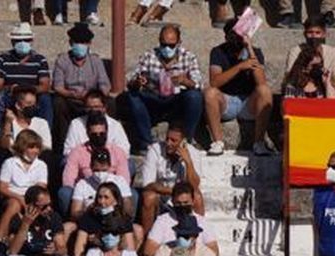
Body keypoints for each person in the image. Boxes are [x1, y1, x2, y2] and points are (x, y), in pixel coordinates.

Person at [126, 23, 203, 153]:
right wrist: (138, 82)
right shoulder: (149, 56)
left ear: (179, 42)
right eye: (163, 44)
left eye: (171, 45)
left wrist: (185, 81)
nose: (167, 48)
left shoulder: (188, 57)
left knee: (194, 96)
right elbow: (131, 79)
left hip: (176, 102)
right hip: (154, 99)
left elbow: (199, 83)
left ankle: (186, 139)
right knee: (132, 96)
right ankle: (146, 144)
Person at [204, 23, 274, 157]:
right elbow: (214, 82)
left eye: (239, 35)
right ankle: (218, 142)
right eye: (232, 35)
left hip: (249, 103)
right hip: (226, 101)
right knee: (209, 92)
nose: (236, 39)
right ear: (226, 36)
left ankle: (259, 143)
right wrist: (240, 67)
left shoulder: (255, 51)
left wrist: (249, 49)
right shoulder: (218, 51)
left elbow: (261, 82)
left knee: (265, 91)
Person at [136, 125, 201, 233]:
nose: (168, 143)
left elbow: (194, 186)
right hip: (161, 197)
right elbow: (148, 184)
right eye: (167, 139)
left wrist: (188, 162)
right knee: (148, 197)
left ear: (183, 142)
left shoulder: (192, 152)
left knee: (197, 197)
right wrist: (173, 191)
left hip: (182, 199)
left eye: (174, 140)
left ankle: (197, 236)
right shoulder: (154, 150)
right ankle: (148, 238)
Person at [53, 21, 111, 132]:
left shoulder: (96, 61)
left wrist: (93, 97)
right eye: (77, 42)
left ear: (89, 44)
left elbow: (105, 85)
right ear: (70, 43)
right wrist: (72, 94)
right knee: (58, 103)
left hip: (92, 99)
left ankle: (104, 134)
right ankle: (63, 141)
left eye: (84, 42)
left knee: (111, 102)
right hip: (70, 99)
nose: (80, 45)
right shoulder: (62, 60)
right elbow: (57, 86)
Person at [283, 16, 335, 98]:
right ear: (305, 34)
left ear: (324, 34)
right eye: (310, 32)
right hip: (301, 90)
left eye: (317, 33)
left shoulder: (333, 53)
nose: (314, 36)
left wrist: (324, 78)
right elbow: (290, 78)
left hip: (326, 89)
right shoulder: (295, 51)